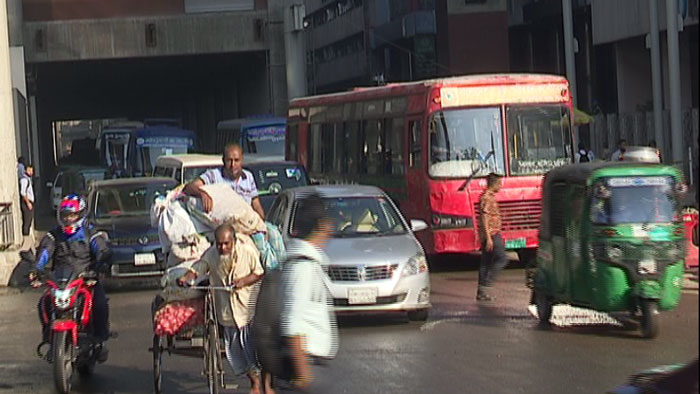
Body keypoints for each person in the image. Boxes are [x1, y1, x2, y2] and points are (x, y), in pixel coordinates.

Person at [179, 224, 269, 394]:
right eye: (219, 244)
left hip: (247, 309)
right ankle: (254, 383)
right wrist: (186, 278)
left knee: (254, 350)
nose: (222, 248)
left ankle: (262, 384)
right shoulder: (212, 254)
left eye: (226, 244)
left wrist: (243, 281)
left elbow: (258, 273)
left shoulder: (247, 251)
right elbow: (198, 268)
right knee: (237, 354)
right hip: (226, 313)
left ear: (233, 241)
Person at [28, 194, 112, 359]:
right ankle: (48, 337)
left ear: (80, 215)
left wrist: (102, 261)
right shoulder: (54, 235)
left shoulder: (90, 233)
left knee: (100, 303)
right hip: (60, 282)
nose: (68, 219)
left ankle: (100, 340)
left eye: (72, 215)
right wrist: (36, 268)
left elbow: (101, 249)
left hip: (86, 279)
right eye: (65, 215)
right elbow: (44, 252)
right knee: (43, 303)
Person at [280, 192, 338, 391]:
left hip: (307, 362)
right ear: (321, 225)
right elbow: (291, 322)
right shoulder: (301, 267)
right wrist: (304, 376)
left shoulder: (309, 262)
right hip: (302, 364)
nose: (332, 229)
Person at [184, 143, 265, 220]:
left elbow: (256, 204)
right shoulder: (214, 175)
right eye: (229, 160)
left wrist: (262, 223)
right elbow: (189, 187)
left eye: (236, 160)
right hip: (224, 225)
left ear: (242, 160)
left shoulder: (248, 177)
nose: (233, 165)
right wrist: (202, 193)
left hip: (246, 223)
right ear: (223, 161)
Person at [476, 173, 507, 301]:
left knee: (486, 262)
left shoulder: (489, 197)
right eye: (499, 183)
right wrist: (488, 237)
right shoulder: (487, 198)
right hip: (492, 234)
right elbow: (484, 217)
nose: (501, 186)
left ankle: (482, 292)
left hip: (491, 234)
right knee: (502, 258)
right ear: (494, 184)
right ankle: (487, 284)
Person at [19, 165, 35, 246]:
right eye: (29, 171)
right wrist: (28, 203)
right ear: (25, 170)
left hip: (29, 202)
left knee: (29, 222)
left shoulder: (28, 179)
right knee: (27, 222)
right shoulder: (24, 180)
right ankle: (26, 243)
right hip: (26, 203)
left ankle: (27, 242)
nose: (31, 172)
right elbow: (23, 192)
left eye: (32, 171)